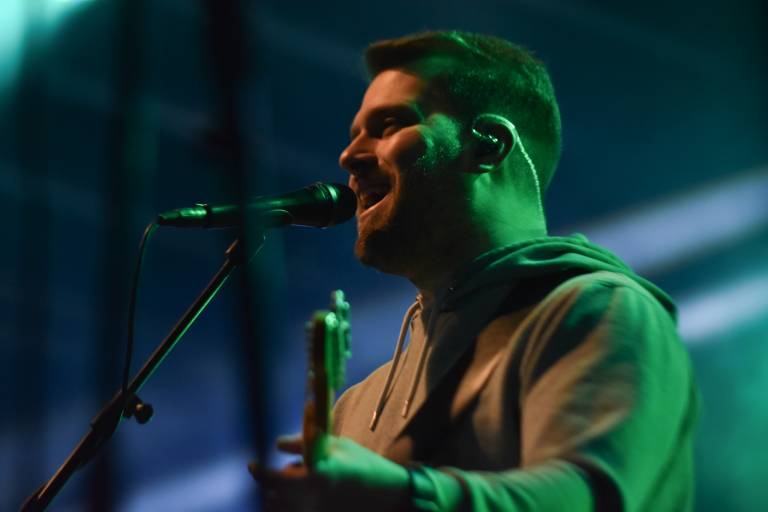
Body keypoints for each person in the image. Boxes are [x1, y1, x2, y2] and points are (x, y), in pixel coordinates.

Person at [253, 30, 698, 511]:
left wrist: (404, 493)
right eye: (355, 134)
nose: (349, 156)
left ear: (489, 145)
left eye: (388, 125)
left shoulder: (597, 310)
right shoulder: (355, 408)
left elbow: (591, 499)